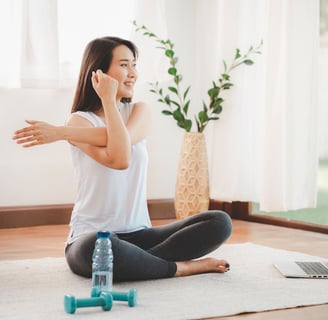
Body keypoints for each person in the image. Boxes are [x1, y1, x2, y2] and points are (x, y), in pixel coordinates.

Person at [13, 36, 232, 281]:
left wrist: (60, 133)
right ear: (99, 73)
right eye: (125, 65)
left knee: (219, 222)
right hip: (92, 236)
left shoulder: (139, 111)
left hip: (141, 235)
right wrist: (104, 101)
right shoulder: (80, 121)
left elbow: (121, 144)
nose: (133, 73)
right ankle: (180, 267)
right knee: (96, 248)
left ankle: (140, 262)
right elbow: (120, 159)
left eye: (134, 65)